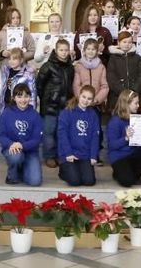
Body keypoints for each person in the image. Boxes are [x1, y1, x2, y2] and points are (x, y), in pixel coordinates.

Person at [35, 38, 75, 169]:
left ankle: (60, 155)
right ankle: (49, 156)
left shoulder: (70, 67)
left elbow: (70, 85)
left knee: (61, 131)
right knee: (49, 132)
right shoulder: (47, 66)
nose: (64, 53)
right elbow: (39, 85)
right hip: (50, 106)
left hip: (65, 105)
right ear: (56, 51)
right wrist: (48, 99)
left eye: (66, 50)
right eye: (61, 50)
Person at [107, 89, 141, 187]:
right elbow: (112, 145)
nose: (138, 106)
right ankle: (120, 173)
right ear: (127, 104)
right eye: (136, 103)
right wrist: (126, 138)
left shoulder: (136, 119)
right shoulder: (115, 121)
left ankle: (132, 174)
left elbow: (137, 141)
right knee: (127, 182)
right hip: (119, 157)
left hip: (132, 154)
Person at [0, 83, 44, 186]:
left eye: (26, 96)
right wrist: (11, 144)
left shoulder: (35, 115)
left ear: (30, 97)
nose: (23, 100)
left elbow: (37, 139)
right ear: (14, 98)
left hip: (30, 151)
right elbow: (1, 135)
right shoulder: (6, 113)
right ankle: (12, 176)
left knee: (35, 181)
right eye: (19, 96)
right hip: (12, 149)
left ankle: (23, 169)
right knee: (16, 157)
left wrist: (22, 145)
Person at [73, 38, 108, 162]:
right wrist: (81, 99)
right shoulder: (79, 66)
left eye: (93, 49)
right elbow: (76, 85)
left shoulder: (101, 67)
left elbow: (104, 86)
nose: (91, 51)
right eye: (88, 49)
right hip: (82, 103)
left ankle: (95, 155)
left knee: (96, 130)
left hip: (95, 104)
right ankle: (81, 153)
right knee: (81, 129)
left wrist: (96, 100)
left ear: (97, 51)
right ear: (84, 50)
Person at [57, 85, 100, 186]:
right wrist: (68, 153)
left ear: (92, 100)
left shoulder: (93, 114)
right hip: (69, 154)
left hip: (84, 155)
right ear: (78, 95)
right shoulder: (67, 112)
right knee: (75, 181)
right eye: (83, 97)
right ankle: (63, 171)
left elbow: (95, 136)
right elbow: (62, 135)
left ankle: (79, 170)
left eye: (89, 99)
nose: (86, 101)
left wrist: (93, 156)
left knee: (89, 181)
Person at [106, 31, 141, 112]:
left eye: (129, 42)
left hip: (136, 96)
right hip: (118, 97)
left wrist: (134, 90)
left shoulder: (137, 57)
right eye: (124, 42)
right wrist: (123, 92)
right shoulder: (113, 58)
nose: (127, 44)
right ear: (118, 42)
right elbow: (111, 76)